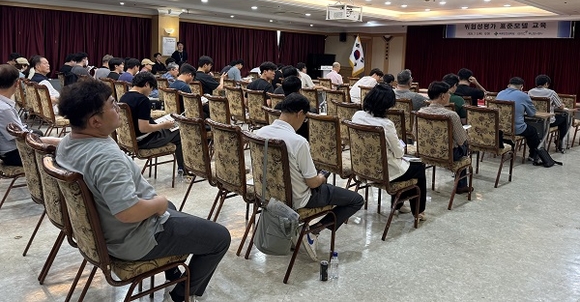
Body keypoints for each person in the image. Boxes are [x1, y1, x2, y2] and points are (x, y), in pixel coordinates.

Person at [56, 79, 230, 302]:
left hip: (106, 231)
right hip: (132, 239)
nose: (118, 108)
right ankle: (181, 295)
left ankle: (173, 272)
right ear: (95, 121)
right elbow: (127, 212)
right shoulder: (106, 159)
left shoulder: (67, 143)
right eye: (112, 104)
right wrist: (158, 203)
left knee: (171, 207)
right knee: (220, 237)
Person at [255, 93, 364, 261]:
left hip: (268, 195)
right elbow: (313, 183)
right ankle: (313, 231)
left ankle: (299, 232)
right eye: (305, 118)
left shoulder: (260, 132)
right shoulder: (298, 142)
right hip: (299, 198)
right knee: (356, 200)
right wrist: (322, 177)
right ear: (300, 113)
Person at [351, 84, 427, 219]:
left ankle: (399, 204)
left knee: (406, 168)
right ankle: (418, 211)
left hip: (362, 167)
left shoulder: (357, 116)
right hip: (384, 171)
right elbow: (399, 153)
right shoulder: (386, 124)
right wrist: (400, 145)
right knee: (418, 168)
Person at [119, 72, 185, 172]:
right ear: (146, 84)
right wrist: (163, 125)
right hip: (145, 140)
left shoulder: (124, 97)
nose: (150, 91)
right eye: (151, 88)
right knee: (179, 131)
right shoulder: (143, 100)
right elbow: (144, 128)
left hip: (130, 140)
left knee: (172, 130)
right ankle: (183, 168)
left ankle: (182, 168)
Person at [419, 81, 472, 194]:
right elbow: (461, 140)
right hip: (447, 154)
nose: (449, 96)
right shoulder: (451, 115)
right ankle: (461, 185)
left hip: (425, 151)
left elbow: (415, 134)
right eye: (448, 93)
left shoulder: (420, 112)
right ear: (443, 96)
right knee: (465, 144)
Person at [0, 65, 58, 166]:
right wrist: (51, 141)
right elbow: (21, 136)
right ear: (17, 83)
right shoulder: (4, 109)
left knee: (39, 133)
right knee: (58, 153)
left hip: (11, 148)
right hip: (15, 153)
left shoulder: (4, 105)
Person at [497, 77, 540, 162]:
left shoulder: (500, 93)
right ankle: (533, 155)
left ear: (509, 85)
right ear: (521, 87)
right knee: (533, 131)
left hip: (500, 129)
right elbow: (532, 114)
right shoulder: (524, 96)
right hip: (516, 129)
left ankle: (509, 144)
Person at [527, 74, 568, 153]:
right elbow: (560, 107)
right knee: (565, 117)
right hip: (548, 121)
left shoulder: (530, 91)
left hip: (533, 120)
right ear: (546, 83)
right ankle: (560, 141)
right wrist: (563, 105)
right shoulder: (551, 92)